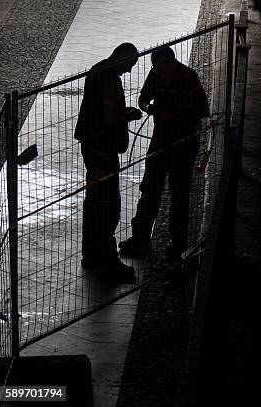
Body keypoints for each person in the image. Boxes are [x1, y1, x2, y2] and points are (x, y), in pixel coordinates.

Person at [119, 47, 210, 260]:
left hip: (184, 143)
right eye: (156, 69)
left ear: (172, 62)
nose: (159, 73)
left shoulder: (189, 77)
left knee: (179, 194)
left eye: (163, 69)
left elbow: (202, 111)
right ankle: (140, 239)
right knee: (150, 189)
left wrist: (175, 116)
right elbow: (143, 97)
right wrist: (147, 107)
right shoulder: (156, 74)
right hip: (161, 139)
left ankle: (177, 243)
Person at [74, 42, 142, 281]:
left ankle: (91, 255)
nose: (131, 70)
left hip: (90, 144)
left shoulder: (96, 70)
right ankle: (107, 260)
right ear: (122, 58)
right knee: (108, 204)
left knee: (93, 200)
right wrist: (130, 114)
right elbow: (111, 115)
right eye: (131, 64)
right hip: (103, 148)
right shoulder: (111, 79)